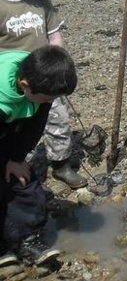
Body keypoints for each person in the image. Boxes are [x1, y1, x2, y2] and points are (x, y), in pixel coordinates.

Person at [0, 0, 87, 189]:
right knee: (15, 126)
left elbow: (54, 37)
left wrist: (59, 68)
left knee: (57, 119)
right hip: (14, 84)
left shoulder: (40, 1)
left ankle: (61, 165)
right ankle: (14, 161)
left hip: (46, 77)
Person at [1, 46, 78, 267]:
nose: (48, 102)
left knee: (24, 180)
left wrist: (16, 158)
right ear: (24, 85)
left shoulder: (43, 83)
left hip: (12, 122)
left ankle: (28, 239)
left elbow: (36, 125)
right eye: (46, 98)